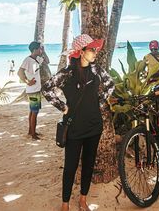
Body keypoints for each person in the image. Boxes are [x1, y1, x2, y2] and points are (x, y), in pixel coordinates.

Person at [42, 34, 115, 211]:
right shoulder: (67, 73)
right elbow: (47, 88)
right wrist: (62, 107)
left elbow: (111, 84)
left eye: (95, 49)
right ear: (81, 52)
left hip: (94, 126)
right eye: (92, 49)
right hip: (74, 127)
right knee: (70, 167)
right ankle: (65, 204)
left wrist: (98, 101)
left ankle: (83, 200)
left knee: (89, 164)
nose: (95, 52)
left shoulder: (96, 70)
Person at [18, 41, 48, 140]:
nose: (40, 50)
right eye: (40, 48)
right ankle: (33, 135)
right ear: (35, 50)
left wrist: (43, 52)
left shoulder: (37, 59)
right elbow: (19, 72)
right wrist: (27, 82)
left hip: (36, 89)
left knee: (32, 111)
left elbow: (47, 61)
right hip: (32, 91)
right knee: (34, 112)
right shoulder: (28, 60)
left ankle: (31, 131)